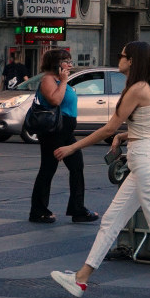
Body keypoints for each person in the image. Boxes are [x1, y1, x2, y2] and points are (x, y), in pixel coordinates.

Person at [49, 41, 150, 298]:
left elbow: (108, 128)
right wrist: (125, 135)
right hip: (145, 160)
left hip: (146, 163)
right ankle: (81, 279)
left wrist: (73, 146)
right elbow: (148, 126)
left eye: (121, 55)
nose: (118, 59)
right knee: (111, 221)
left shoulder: (137, 89)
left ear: (131, 61)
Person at [28, 49, 99, 225]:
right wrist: (64, 81)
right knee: (48, 168)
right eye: (65, 61)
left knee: (77, 167)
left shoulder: (60, 81)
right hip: (53, 131)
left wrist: (64, 81)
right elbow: (55, 101)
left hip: (66, 131)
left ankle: (78, 209)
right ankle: (38, 211)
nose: (69, 63)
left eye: (69, 60)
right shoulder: (48, 79)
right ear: (56, 63)